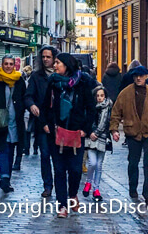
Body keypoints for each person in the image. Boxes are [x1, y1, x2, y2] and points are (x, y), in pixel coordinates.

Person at [42, 53, 95, 218]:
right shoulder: (52, 83)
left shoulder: (83, 83)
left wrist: (85, 129)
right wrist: (44, 124)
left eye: (58, 63)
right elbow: (44, 106)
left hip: (76, 134)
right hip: (56, 133)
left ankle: (72, 195)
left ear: (67, 65)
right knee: (59, 170)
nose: (54, 65)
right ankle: (62, 206)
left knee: (75, 170)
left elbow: (91, 108)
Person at [110, 65, 148, 204]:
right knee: (133, 163)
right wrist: (114, 129)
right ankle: (132, 188)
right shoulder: (125, 93)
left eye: (141, 76)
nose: (139, 78)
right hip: (133, 132)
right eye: (136, 76)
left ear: (146, 76)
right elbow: (116, 112)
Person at [0, 55, 26, 193]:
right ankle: (4, 178)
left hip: (16, 121)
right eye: (6, 64)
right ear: (2, 64)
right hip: (0, 121)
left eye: (11, 64)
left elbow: (24, 97)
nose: (8, 66)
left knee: (11, 149)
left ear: (14, 65)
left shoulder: (19, 80)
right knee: (3, 148)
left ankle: (7, 179)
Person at [24, 45, 58, 197]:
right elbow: (28, 95)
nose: (45, 59)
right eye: (43, 57)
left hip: (59, 122)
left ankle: (60, 185)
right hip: (42, 121)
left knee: (58, 156)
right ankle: (48, 185)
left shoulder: (61, 75)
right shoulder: (36, 76)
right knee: (45, 155)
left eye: (48, 57)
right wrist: (31, 105)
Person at [82, 85, 112, 202]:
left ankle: (96, 189)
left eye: (102, 95)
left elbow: (108, 122)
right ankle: (88, 182)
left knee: (99, 165)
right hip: (91, 138)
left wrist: (100, 133)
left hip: (103, 138)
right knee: (92, 163)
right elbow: (86, 120)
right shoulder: (90, 107)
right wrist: (90, 132)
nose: (100, 98)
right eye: (98, 96)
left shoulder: (108, 107)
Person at [21, 65, 34, 156]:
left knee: (27, 131)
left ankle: (26, 148)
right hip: (27, 111)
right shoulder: (27, 84)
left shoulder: (26, 85)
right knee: (27, 131)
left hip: (27, 111)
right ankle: (27, 148)